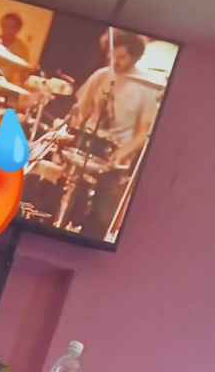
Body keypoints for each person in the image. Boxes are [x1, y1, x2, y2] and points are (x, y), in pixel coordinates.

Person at [67, 30, 157, 236]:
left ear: (135, 57)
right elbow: (80, 112)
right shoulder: (101, 76)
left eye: (121, 57)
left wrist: (122, 154)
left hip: (115, 160)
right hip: (85, 149)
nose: (114, 61)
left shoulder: (147, 87)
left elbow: (144, 133)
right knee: (64, 204)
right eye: (112, 55)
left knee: (98, 221)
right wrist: (70, 131)